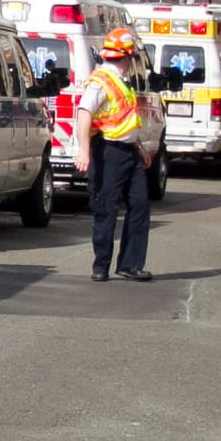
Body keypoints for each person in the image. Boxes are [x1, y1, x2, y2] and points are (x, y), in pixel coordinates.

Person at [82, 27, 152, 284]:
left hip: (129, 151)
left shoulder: (121, 82)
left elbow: (126, 119)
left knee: (140, 205)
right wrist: (83, 150)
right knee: (106, 208)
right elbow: (83, 113)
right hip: (108, 152)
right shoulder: (101, 81)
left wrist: (140, 147)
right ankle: (101, 266)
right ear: (127, 56)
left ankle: (131, 265)